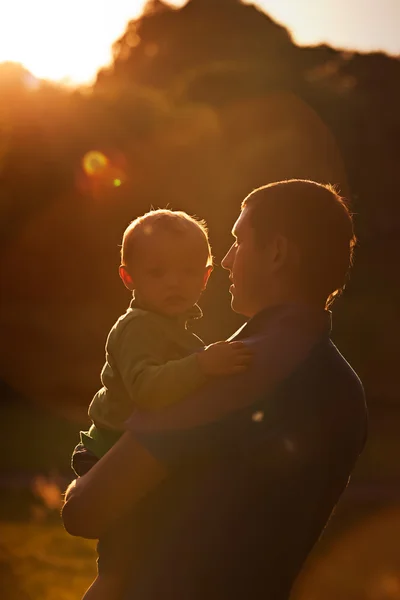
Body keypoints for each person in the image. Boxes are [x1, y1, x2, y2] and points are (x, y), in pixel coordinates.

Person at [62, 179, 368, 600]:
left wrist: (81, 482)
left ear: (276, 252)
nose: (225, 260)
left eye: (239, 241)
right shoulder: (344, 385)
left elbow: (85, 513)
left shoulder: (235, 372)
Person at [71, 209, 252, 599]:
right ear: (128, 277)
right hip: (109, 457)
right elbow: (147, 389)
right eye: (158, 273)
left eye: (188, 272)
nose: (175, 282)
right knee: (121, 567)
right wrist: (203, 364)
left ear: (206, 276)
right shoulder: (137, 327)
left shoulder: (171, 327)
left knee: (151, 559)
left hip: (137, 453)